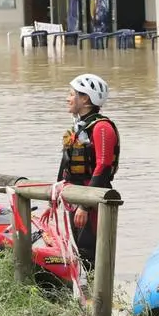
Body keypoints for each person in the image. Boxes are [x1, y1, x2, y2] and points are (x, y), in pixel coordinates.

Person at [57, 73, 118, 270]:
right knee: (81, 252)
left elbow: (103, 166)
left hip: (91, 200)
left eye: (71, 94)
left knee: (90, 252)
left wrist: (85, 205)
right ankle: (85, 288)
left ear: (85, 99)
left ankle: (98, 289)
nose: (67, 98)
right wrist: (56, 193)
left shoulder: (102, 128)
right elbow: (65, 163)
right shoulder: (78, 128)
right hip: (75, 196)